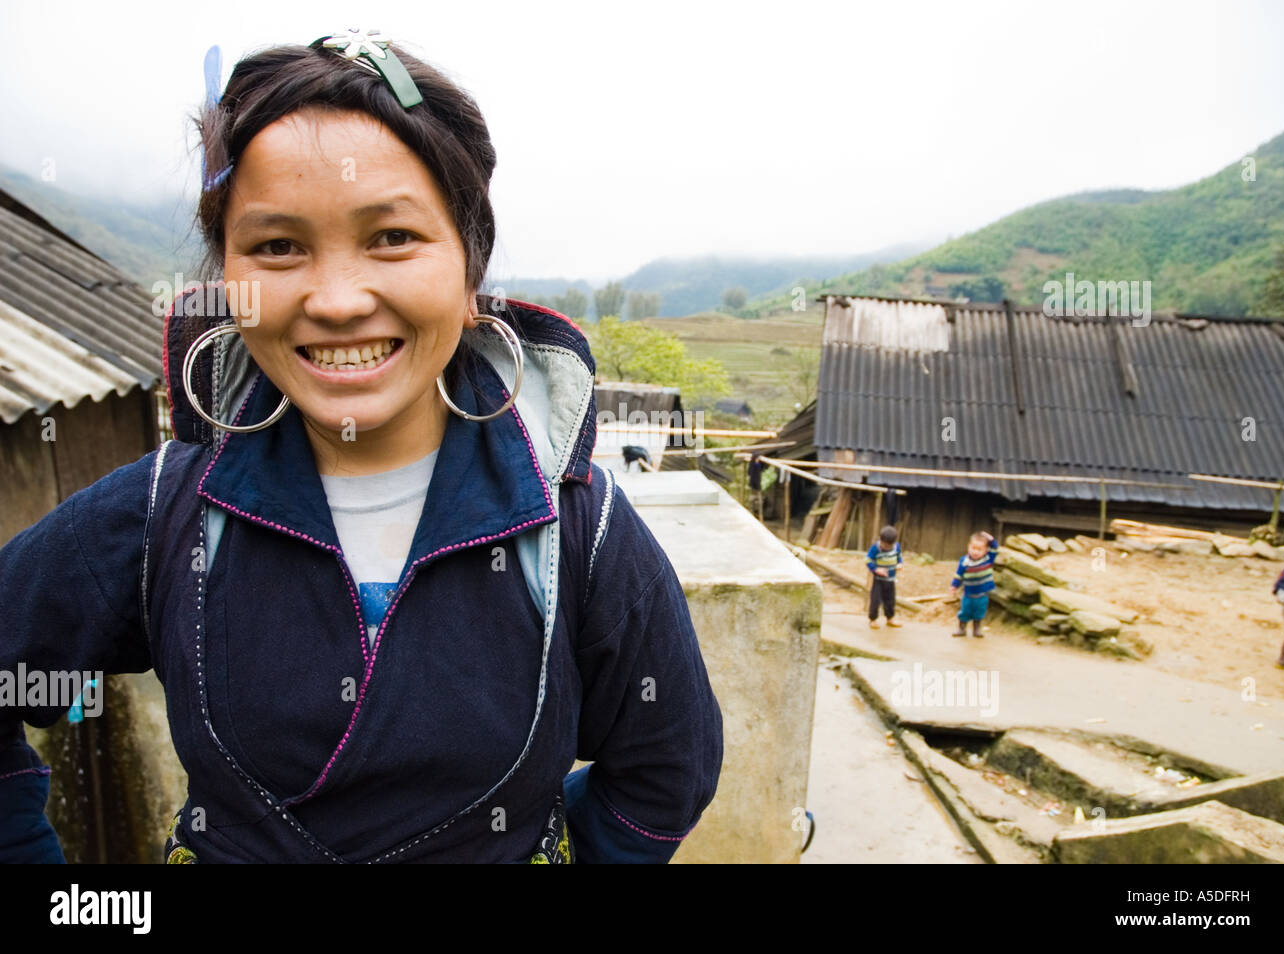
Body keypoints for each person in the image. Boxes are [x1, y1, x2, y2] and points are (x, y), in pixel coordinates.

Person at [0, 30, 723, 864]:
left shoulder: (579, 530)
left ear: (468, 264)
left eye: (392, 238)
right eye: (277, 247)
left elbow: (667, 766)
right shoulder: (163, 512)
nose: (338, 301)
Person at [950, 531, 999, 638]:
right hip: (968, 593)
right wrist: (954, 585)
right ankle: (961, 628)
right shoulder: (964, 561)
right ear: (968, 547)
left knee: (979, 612)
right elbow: (959, 574)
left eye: (979, 549)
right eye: (973, 548)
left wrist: (989, 538)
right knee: (965, 611)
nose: (975, 552)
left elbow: (995, 548)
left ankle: (977, 629)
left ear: (986, 550)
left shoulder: (988, 559)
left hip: (982, 593)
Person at [865, 525, 903, 629]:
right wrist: (876, 569)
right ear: (881, 540)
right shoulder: (875, 548)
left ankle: (890, 618)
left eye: (889, 546)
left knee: (890, 600)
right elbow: (868, 560)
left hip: (890, 579)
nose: (887, 548)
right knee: (875, 600)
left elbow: (899, 557)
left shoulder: (896, 547)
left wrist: (900, 564)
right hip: (878, 580)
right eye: (885, 545)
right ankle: (873, 619)